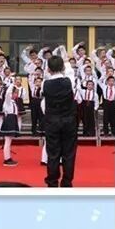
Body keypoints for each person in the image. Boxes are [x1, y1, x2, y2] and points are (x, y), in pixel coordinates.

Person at [41, 54, 78, 188]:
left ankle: (52, 182)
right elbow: (70, 71)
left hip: (52, 121)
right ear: (62, 68)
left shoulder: (45, 84)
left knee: (53, 153)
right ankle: (67, 182)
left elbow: (44, 103)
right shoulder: (69, 81)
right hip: (69, 121)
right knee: (69, 153)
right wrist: (66, 62)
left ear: (48, 69)